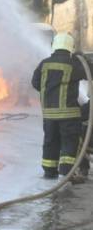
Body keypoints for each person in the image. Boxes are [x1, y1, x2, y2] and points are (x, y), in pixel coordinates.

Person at [32, 32, 87, 181]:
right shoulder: (73, 64)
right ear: (71, 47)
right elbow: (90, 73)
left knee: (51, 142)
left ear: (54, 46)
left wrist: (50, 92)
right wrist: (82, 59)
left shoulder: (44, 63)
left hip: (49, 115)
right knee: (70, 141)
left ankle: (49, 172)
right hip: (69, 115)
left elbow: (35, 83)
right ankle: (67, 173)